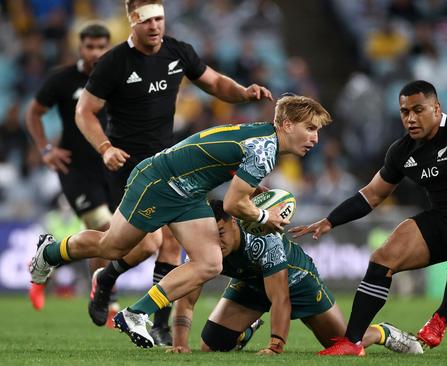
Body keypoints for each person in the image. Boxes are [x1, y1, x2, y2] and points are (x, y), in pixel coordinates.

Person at [29, 94, 332, 349]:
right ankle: (49, 252)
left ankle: (137, 313)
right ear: (287, 125)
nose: (315, 138)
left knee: (210, 263)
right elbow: (232, 204)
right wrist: (265, 216)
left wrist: (248, 187)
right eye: (310, 128)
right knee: (111, 247)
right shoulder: (264, 150)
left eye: (317, 131)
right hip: (159, 182)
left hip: (189, 192)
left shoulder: (263, 137)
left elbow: (222, 158)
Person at [75, 0, 272, 346]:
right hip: (128, 165)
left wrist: (242, 93)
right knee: (144, 242)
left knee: (168, 242)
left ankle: (160, 324)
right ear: (133, 22)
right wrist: (105, 149)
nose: (155, 26)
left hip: (169, 163)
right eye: (148, 20)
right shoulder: (114, 63)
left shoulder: (178, 52)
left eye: (160, 19)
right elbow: (84, 111)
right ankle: (106, 277)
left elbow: (213, 82)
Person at [291, 80, 447, 355]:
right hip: (440, 221)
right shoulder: (402, 151)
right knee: (382, 258)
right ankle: (352, 341)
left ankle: (440, 318)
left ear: (436, 108)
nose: (410, 118)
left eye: (418, 110)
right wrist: (330, 220)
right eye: (404, 112)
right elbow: (371, 195)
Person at [169, 199, 423, 355]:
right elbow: (186, 298)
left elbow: (281, 298)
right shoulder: (204, 246)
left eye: (221, 232)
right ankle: (245, 331)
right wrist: (180, 343)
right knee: (211, 346)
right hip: (251, 283)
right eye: (211, 235)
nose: (216, 241)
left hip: (295, 281)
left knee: (344, 345)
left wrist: (275, 344)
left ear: (234, 222)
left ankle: (382, 332)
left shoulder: (262, 239)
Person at [24, 23, 112, 314]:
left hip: (112, 167)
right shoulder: (63, 79)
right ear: (80, 48)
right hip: (75, 169)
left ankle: (46, 257)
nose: (96, 53)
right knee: (103, 228)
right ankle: (104, 297)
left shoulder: (119, 79)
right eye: (90, 47)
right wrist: (45, 149)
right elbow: (34, 113)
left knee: (116, 237)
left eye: (101, 47)